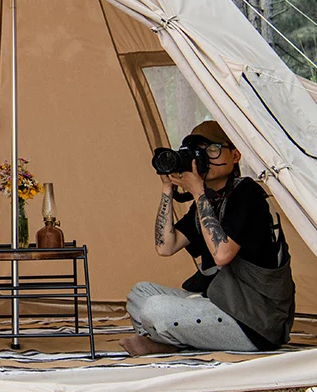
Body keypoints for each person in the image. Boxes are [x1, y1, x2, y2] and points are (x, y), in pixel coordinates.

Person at [120, 120, 295, 356]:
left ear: (235, 155)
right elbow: (165, 247)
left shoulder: (247, 193)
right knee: (140, 294)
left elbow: (222, 254)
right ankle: (170, 340)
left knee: (155, 309)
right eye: (198, 152)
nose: (205, 158)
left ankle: (167, 340)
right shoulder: (208, 201)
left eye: (213, 149)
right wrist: (167, 189)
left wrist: (198, 191)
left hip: (254, 321)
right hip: (219, 304)